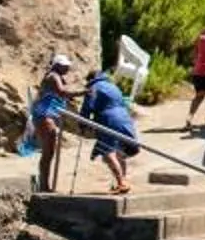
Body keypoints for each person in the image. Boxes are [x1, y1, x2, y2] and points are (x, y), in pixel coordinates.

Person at [80, 66, 141, 196]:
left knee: (107, 152)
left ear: (90, 79)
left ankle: (121, 183)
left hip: (109, 120)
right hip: (125, 118)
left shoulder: (94, 87)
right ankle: (122, 182)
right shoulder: (113, 86)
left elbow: (87, 107)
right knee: (120, 153)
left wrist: (82, 123)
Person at [28, 53, 77, 193]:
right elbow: (61, 92)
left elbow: (59, 95)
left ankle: (45, 185)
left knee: (49, 153)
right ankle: (44, 186)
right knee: (48, 152)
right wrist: (83, 92)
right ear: (58, 66)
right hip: (44, 115)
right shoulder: (53, 76)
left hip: (46, 115)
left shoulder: (56, 77)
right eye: (65, 66)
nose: (67, 69)